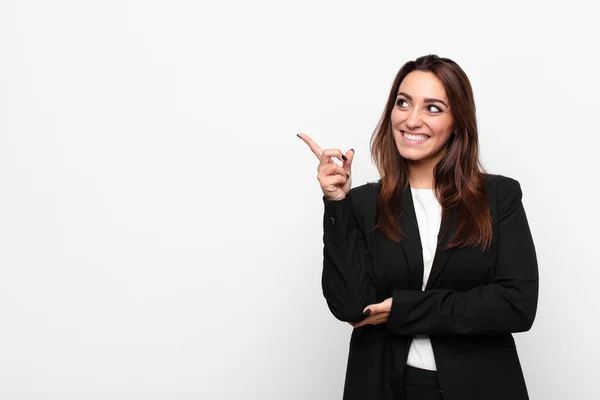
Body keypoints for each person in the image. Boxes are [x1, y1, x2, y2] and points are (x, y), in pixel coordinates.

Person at [297, 54, 538, 400]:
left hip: (480, 386)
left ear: (457, 121)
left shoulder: (499, 197)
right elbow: (350, 308)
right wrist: (336, 203)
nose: (412, 120)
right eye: (403, 103)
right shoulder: (364, 203)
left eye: (433, 108)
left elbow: (517, 304)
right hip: (385, 387)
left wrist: (405, 310)